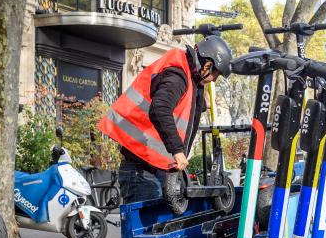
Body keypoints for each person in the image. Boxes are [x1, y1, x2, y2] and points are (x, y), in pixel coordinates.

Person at [98, 36, 234, 204]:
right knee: (146, 228)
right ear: (207, 66)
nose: (214, 80)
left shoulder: (189, 77)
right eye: (216, 75)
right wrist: (177, 150)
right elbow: (160, 109)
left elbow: (183, 105)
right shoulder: (177, 75)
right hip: (141, 170)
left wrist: (202, 102)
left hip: (155, 167)